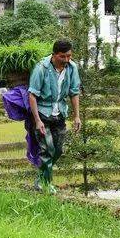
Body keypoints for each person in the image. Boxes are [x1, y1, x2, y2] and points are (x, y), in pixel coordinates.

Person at [27, 39, 82, 194]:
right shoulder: (41, 68)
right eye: (62, 57)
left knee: (58, 150)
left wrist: (76, 116)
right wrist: (37, 120)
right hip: (42, 113)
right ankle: (46, 184)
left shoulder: (72, 68)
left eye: (69, 56)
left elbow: (74, 92)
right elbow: (32, 95)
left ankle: (40, 178)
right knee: (47, 149)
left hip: (60, 113)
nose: (66, 60)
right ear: (54, 55)